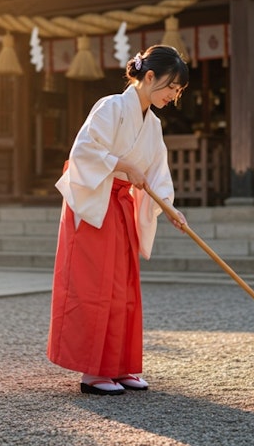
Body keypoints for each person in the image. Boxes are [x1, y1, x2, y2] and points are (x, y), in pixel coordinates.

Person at [47, 45, 189, 396]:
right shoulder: (111, 107)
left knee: (123, 287)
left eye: (179, 91)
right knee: (96, 287)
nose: (174, 95)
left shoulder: (152, 124)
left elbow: (157, 175)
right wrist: (124, 166)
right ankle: (95, 372)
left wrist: (169, 208)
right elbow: (83, 150)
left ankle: (121, 365)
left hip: (122, 206)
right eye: (172, 87)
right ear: (149, 77)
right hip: (94, 202)